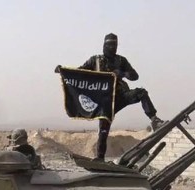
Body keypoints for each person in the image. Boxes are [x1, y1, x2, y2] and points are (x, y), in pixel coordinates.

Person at [56, 33, 165, 161]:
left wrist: (123, 73)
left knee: (141, 93)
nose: (113, 47)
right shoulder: (95, 61)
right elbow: (79, 73)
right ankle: (100, 158)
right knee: (103, 129)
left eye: (115, 45)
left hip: (121, 96)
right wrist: (63, 71)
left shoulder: (121, 61)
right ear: (105, 45)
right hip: (104, 102)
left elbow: (135, 76)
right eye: (110, 45)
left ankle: (154, 119)